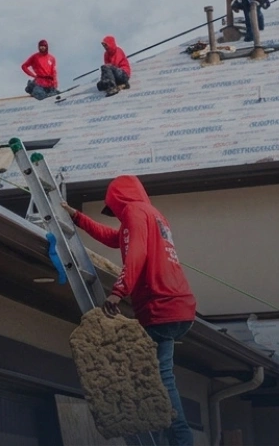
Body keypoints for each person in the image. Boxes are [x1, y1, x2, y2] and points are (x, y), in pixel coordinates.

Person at [62, 176, 197, 446]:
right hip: (178, 305)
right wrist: (77, 218)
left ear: (118, 199)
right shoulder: (152, 215)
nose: (116, 215)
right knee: (161, 376)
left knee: (154, 379)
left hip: (160, 305)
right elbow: (116, 238)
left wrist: (118, 291)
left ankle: (179, 440)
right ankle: (175, 439)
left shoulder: (135, 212)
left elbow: (137, 252)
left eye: (114, 208)